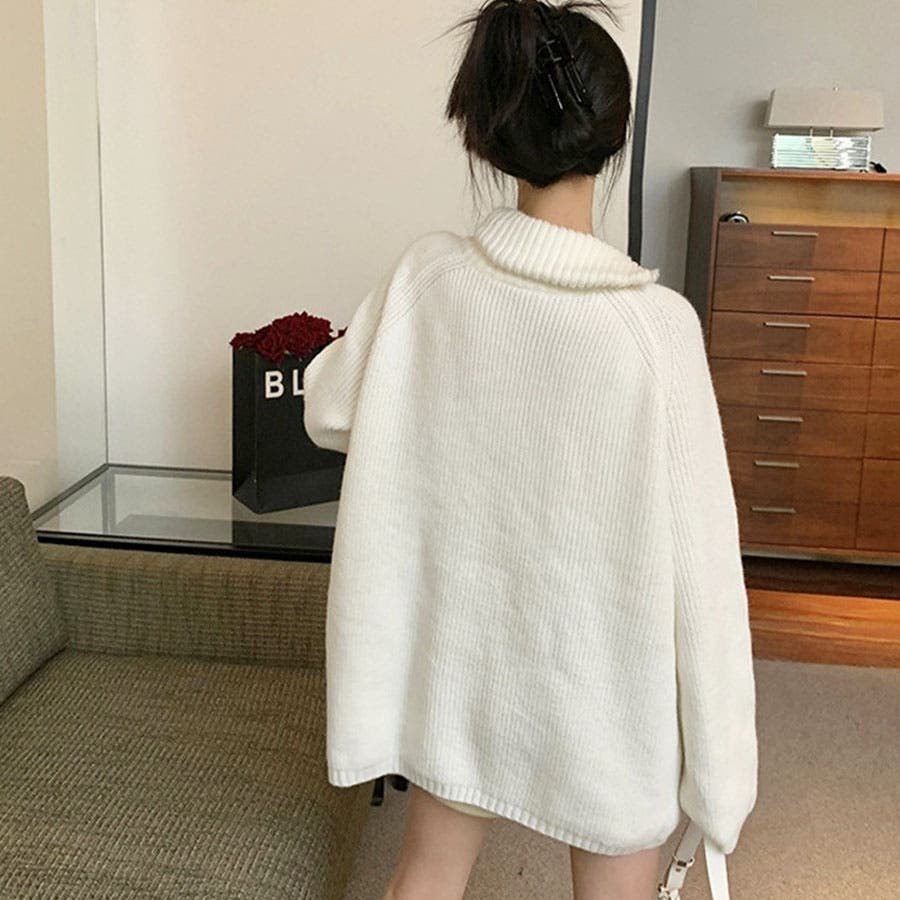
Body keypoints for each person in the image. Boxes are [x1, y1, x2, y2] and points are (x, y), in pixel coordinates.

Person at [301, 1, 758, 898]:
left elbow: (329, 409)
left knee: (424, 877)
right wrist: (721, 781)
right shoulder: (657, 331)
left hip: (461, 668)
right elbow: (705, 572)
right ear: (614, 137)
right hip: (607, 691)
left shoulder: (428, 278)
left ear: (488, 135)